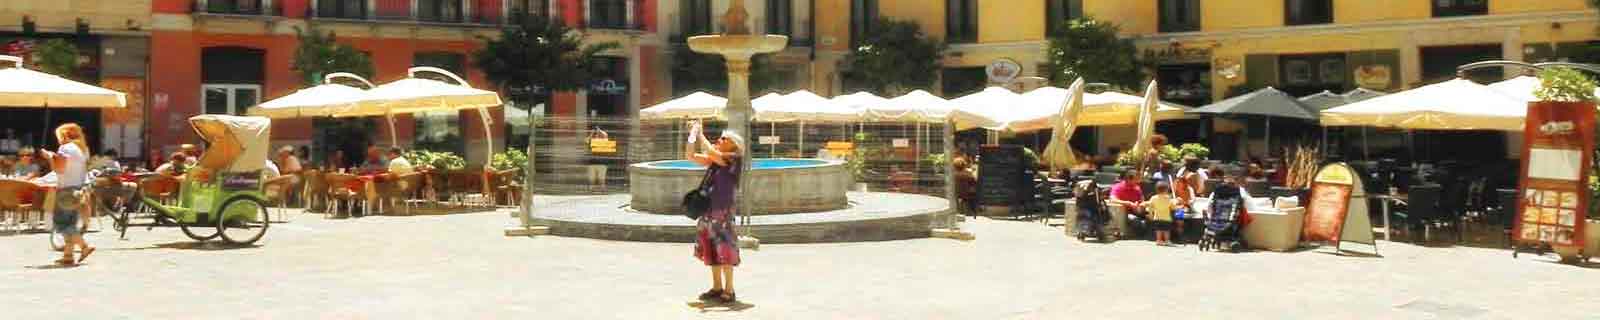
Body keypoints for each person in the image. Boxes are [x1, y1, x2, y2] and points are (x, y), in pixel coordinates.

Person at [683, 120, 744, 304]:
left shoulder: (734, 157)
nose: (719, 139)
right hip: (708, 210)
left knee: (725, 249)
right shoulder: (716, 160)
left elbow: (711, 152)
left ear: (733, 144)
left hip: (722, 212)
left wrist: (701, 133)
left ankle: (729, 289)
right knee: (711, 250)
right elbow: (690, 156)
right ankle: (717, 287)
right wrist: (692, 135)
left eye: (724, 138)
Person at [41, 123, 94, 266]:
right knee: (70, 223)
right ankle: (68, 255)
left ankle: (84, 246)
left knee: (62, 224)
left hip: (66, 190)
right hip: (78, 189)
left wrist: (50, 157)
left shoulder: (65, 148)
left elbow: (59, 169)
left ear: (64, 135)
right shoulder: (81, 150)